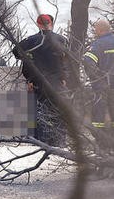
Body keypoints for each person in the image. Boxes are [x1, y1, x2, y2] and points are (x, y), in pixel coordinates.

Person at [12, 14, 69, 146]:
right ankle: (59, 141)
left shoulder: (31, 41)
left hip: (37, 81)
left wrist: (30, 76)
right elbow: (67, 61)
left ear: (38, 24)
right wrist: (64, 78)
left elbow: (15, 52)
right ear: (51, 24)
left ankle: (41, 141)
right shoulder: (62, 40)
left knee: (39, 111)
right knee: (58, 111)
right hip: (57, 82)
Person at [83, 19, 114, 131]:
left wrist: (97, 79)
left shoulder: (98, 44)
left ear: (99, 30)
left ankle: (100, 142)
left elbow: (87, 62)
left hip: (102, 87)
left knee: (98, 116)